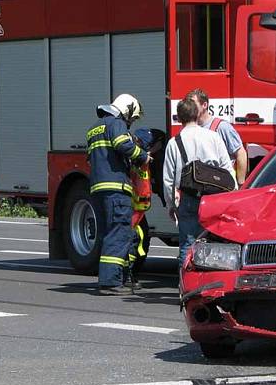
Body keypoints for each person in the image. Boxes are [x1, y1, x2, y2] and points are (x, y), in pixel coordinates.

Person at [86, 93, 149, 295]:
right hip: (115, 188)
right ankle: (111, 282)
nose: (130, 123)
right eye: (131, 117)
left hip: (98, 189)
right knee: (119, 232)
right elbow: (123, 145)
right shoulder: (116, 123)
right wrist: (143, 157)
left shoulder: (95, 127)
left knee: (109, 233)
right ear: (127, 109)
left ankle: (115, 278)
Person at [163, 98, 235, 269]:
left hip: (188, 198)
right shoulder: (213, 137)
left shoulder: (174, 142)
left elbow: (168, 180)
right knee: (214, 244)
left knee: (187, 246)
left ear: (179, 118)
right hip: (214, 199)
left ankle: (186, 288)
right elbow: (227, 170)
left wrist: (172, 206)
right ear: (197, 114)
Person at [126, 127, 165, 291]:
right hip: (131, 210)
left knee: (141, 241)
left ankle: (131, 274)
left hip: (138, 210)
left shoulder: (144, 160)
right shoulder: (135, 159)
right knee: (134, 242)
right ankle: (128, 275)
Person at [186, 89, 248, 185]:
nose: (189, 107)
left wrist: (240, 184)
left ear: (204, 105)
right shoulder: (190, 130)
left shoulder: (222, 127)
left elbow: (241, 154)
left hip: (222, 186)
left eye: (193, 104)